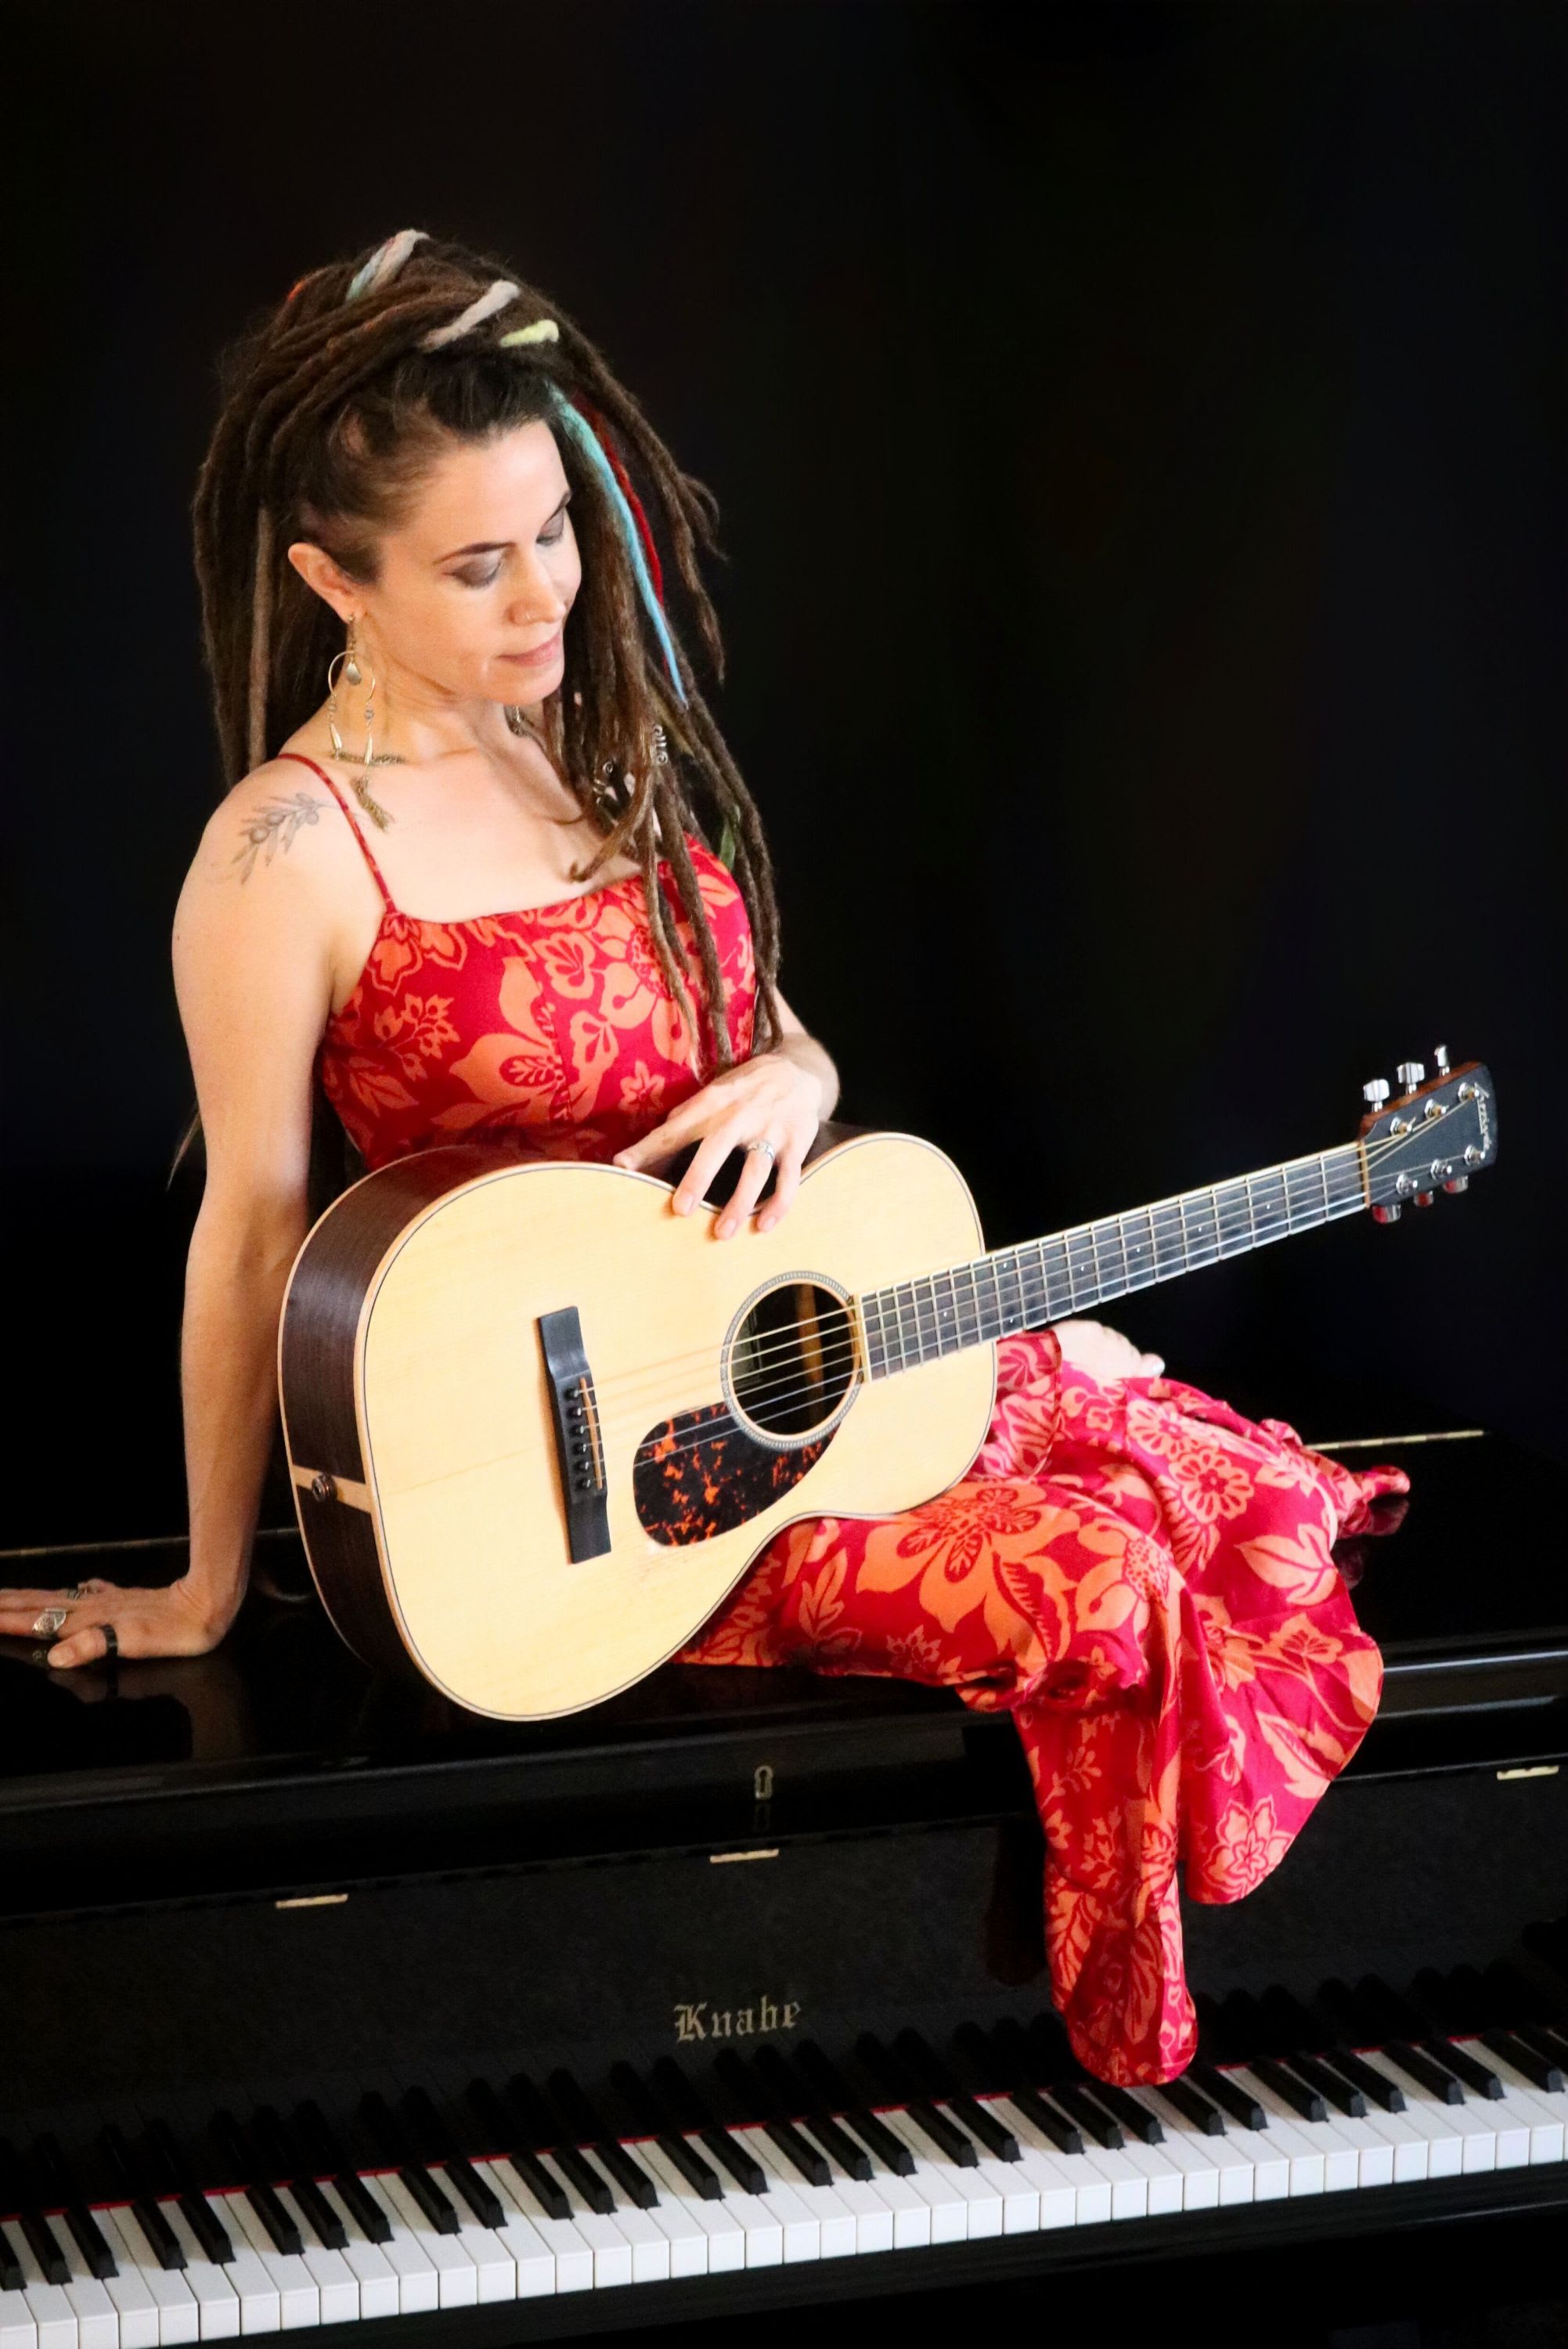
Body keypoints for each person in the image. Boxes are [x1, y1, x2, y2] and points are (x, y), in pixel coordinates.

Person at [0, 232, 1403, 2085]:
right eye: (476, 564)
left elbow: (755, 1039)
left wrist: (800, 1080)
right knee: (1103, 1585)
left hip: (787, 1372)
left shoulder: (588, 753)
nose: (545, 597)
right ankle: (1106, 2058)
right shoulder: (287, 852)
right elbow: (255, 1230)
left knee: (1220, 1481)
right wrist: (199, 1586)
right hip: (615, 1498)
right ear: (331, 578)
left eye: (557, 533)